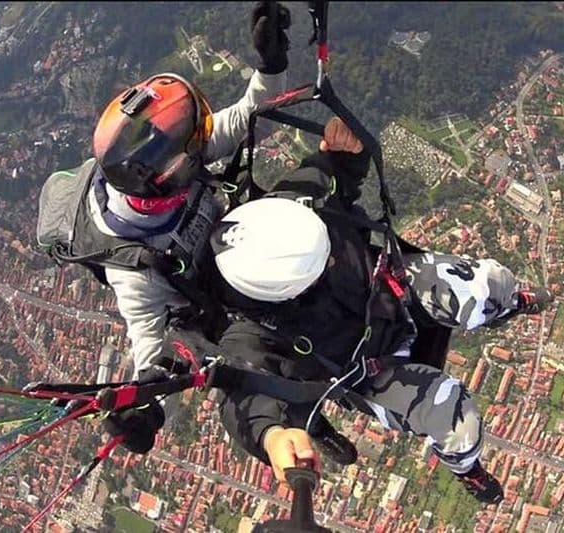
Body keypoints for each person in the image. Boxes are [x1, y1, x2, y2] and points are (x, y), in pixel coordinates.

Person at [36, 2, 356, 461]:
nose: (204, 134)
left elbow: (250, 114)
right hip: (214, 307)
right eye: (196, 135)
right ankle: (307, 420)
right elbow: (152, 349)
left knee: (310, 197)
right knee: (260, 362)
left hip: (240, 243)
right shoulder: (134, 267)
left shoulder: (170, 156)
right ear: (174, 172)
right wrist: (146, 408)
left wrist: (271, 65)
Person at [201, 118, 554, 504]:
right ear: (284, 291)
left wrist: (345, 151)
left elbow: (334, 174)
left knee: (489, 284)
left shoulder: (292, 209)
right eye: (317, 265)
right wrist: (272, 437)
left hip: (392, 293)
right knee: (456, 420)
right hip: (366, 372)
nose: (329, 259)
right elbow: (244, 401)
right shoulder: (250, 334)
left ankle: (504, 305)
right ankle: (465, 468)